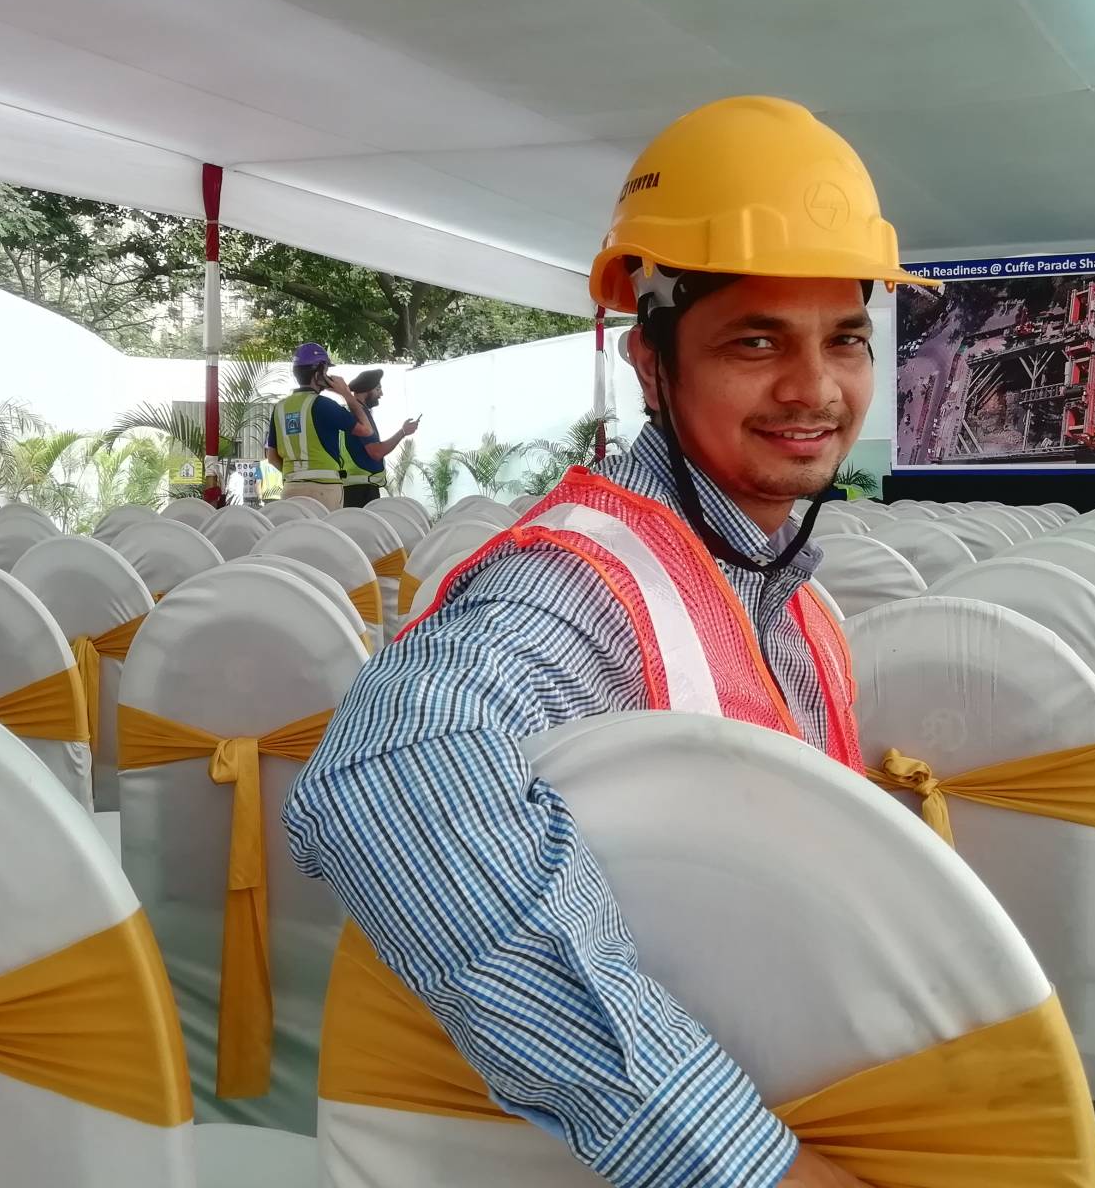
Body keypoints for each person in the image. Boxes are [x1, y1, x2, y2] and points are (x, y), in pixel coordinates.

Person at [286, 97, 937, 1187]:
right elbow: (385, 780)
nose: (815, 388)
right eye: (756, 340)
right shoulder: (580, 584)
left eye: (846, 339)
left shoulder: (795, 599)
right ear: (650, 360)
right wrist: (747, 1166)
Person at [266, 343, 376, 510]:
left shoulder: (279, 408)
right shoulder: (324, 405)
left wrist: (297, 475)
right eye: (326, 371)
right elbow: (366, 430)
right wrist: (346, 393)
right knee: (325, 528)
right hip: (324, 490)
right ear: (318, 373)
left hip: (290, 489)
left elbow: (272, 457)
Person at [337, 368, 419, 506]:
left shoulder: (350, 411)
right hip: (362, 489)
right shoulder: (359, 414)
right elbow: (376, 452)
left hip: (352, 487)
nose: (381, 393)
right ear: (367, 389)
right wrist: (403, 432)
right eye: (378, 389)